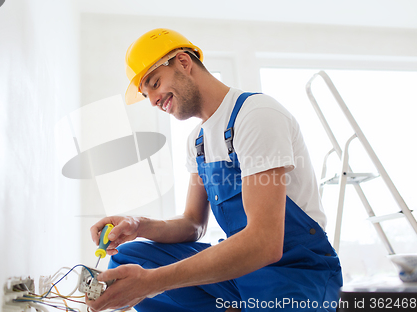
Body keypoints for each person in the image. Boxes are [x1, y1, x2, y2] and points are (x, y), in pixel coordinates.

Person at [86, 28, 342, 312]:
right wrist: (138, 225)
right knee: (129, 258)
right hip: (241, 274)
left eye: (155, 83)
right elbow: (193, 224)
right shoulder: (198, 142)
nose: (154, 100)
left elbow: (264, 243)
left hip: (295, 273)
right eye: (147, 95)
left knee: (150, 277)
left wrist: (152, 282)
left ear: (184, 62)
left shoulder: (256, 115)